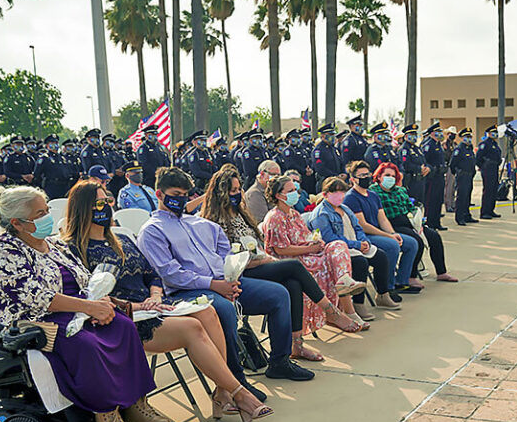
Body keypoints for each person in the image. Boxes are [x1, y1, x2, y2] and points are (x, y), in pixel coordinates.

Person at [0, 186, 169, 422]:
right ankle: (105, 415)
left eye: (46, 210)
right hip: (27, 318)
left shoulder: (51, 243)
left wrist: (99, 302)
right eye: (40, 214)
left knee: (123, 327)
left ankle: (135, 404)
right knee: (86, 343)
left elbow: (83, 277)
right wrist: (88, 308)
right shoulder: (1, 250)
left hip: (73, 307)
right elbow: (36, 298)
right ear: (17, 222)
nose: (47, 217)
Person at [61, 181, 272, 422]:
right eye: (99, 204)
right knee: (193, 327)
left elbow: (151, 274)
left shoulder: (121, 240)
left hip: (154, 305)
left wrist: (155, 296)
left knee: (207, 312)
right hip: (124, 317)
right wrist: (139, 306)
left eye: (108, 201)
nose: (107, 207)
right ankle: (239, 394)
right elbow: (89, 296)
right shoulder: (73, 250)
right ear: (83, 208)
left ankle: (223, 392)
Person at [137, 167, 311, 401]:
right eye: (176, 194)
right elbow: (170, 274)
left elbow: (225, 254)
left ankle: (279, 361)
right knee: (225, 310)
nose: (181, 199)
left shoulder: (201, 224)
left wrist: (230, 279)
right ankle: (235, 381)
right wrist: (214, 284)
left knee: (279, 294)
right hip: (185, 293)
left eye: (185, 195)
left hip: (223, 283)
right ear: (159, 194)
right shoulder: (152, 231)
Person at [200, 165, 362, 359]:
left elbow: (257, 244)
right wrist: (262, 259)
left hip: (260, 262)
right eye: (232, 191)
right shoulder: (215, 222)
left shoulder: (240, 213)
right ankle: (330, 310)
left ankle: (296, 345)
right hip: (242, 271)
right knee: (294, 266)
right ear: (221, 194)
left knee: (293, 284)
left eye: (238, 189)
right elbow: (226, 257)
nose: (236, 194)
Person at [262, 176, 372, 330]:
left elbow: (306, 237)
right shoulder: (275, 217)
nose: (295, 193)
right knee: (331, 265)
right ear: (279, 195)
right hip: (290, 260)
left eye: (295, 190)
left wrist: (316, 243)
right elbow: (281, 249)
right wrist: (310, 249)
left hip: (307, 253)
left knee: (338, 245)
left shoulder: (294, 214)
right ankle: (345, 312)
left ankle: (344, 283)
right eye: (291, 191)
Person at [309, 176, 401, 316]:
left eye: (342, 192)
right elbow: (330, 239)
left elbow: (358, 227)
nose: (340, 195)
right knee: (360, 263)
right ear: (325, 194)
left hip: (356, 245)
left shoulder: (345, 208)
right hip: (339, 251)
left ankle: (383, 295)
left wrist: (364, 241)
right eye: (335, 192)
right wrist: (357, 245)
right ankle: (358, 303)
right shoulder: (321, 214)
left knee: (381, 257)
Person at [371, 163, 458, 284]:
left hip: (409, 222)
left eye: (393, 176)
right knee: (417, 241)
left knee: (434, 236)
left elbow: (411, 208)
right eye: (387, 175)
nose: (390, 178)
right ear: (379, 176)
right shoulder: (374, 192)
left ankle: (441, 272)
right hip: (391, 225)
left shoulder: (400, 190)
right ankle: (410, 276)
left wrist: (419, 223)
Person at [343, 161, 422, 294]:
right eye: (361, 176)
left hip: (377, 233)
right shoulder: (351, 197)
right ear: (353, 179)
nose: (366, 178)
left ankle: (401, 281)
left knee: (412, 243)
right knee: (392, 246)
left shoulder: (373, 195)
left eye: (367, 174)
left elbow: (383, 219)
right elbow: (363, 225)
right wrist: (388, 236)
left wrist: (393, 233)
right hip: (364, 236)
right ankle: (387, 287)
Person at [449, 128, 479, 226]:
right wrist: (458, 173)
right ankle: (460, 217)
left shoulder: (469, 148)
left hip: (469, 175)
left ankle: (467, 215)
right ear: (462, 138)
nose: (469, 139)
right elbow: (452, 164)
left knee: (467, 196)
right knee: (461, 197)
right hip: (462, 175)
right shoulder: (459, 149)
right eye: (466, 137)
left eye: (470, 137)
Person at [420, 123, 447, 230]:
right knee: (430, 201)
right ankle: (429, 223)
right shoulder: (428, 145)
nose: (440, 134)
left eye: (440, 132)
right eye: (437, 132)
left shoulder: (438, 144)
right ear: (432, 133)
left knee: (438, 200)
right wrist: (432, 168)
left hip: (440, 176)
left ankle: (436, 222)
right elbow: (424, 161)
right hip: (432, 177)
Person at [33, 134, 75, 200]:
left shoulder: (62, 158)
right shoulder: (44, 158)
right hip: (51, 187)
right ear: (47, 145)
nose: (54, 145)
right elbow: (37, 175)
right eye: (52, 143)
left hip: (64, 187)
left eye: (56, 143)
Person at [397, 123, 429, 205]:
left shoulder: (417, 148)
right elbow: (405, 164)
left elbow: (423, 161)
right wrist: (419, 169)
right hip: (411, 182)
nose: (414, 137)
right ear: (405, 136)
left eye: (415, 135)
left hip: (420, 180)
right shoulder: (404, 149)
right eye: (411, 135)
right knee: (412, 204)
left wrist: (426, 168)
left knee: (420, 204)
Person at [476, 125, 503, 219]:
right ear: (489, 133)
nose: (495, 134)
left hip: (494, 168)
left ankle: (491, 210)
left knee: (494, 189)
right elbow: (478, 158)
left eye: (496, 132)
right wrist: (483, 167)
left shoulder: (495, 144)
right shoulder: (485, 144)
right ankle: (484, 212)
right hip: (487, 169)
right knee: (488, 190)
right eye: (493, 132)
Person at [311, 124, 344, 188]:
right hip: (325, 181)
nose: (333, 137)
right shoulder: (318, 150)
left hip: (338, 180)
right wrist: (334, 176)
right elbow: (320, 168)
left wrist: (343, 173)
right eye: (330, 135)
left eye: (333, 134)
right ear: (323, 136)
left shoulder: (334, 149)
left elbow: (341, 162)